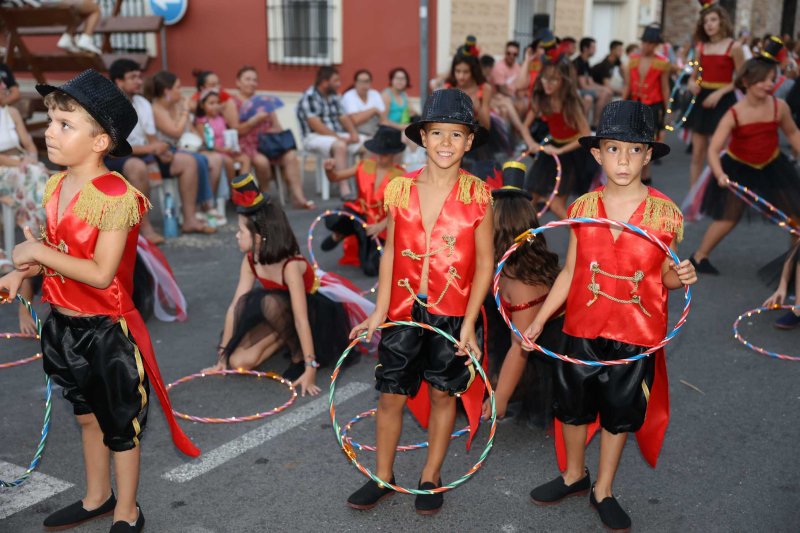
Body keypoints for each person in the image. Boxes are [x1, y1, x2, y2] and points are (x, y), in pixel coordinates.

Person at [0, 69, 200, 533]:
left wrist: (35, 251)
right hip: (63, 325)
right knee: (86, 416)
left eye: (64, 124)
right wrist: (20, 272)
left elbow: (99, 272)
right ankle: (97, 496)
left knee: (120, 428)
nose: (49, 130)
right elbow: (54, 252)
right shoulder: (55, 185)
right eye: (50, 120)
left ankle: (128, 511)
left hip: (107, 332)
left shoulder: (117, 197)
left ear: (100, 141)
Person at [523, 100, 697, 531]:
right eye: (614, 149)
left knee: (620, 412)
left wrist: (681, 276)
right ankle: (573, 475)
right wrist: (542, 318)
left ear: (649, 154)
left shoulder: (663, 214)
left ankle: (604, 488)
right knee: (573, 407)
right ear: (598, 154)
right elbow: (571, 271)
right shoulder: (582, 207)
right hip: (582, 326)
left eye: (634, 150)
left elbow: (662, 279)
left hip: (635, 333)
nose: (624, 159)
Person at [345, 88, 493, 515]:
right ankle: (383, 475)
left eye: (456, 135)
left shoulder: (478, 196)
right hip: (402, 310)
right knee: (391, 394)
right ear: (422, 138)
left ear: (468, 142)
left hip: (452, 314)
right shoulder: (399, 189)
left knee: (444, 395)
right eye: (437, 133)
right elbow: (391, 250)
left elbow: (485, 265)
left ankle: (431, 475)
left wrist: (469, 324)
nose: (446, 143)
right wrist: (377, 309)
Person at [207, 174, 373, 396]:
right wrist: (221, 357)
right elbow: (235, 306)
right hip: (277, 309)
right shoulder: (250, 261)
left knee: (269, 302)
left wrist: (309, 367)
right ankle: (280, 337)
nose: (236, 236)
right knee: (238, 362)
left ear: (258, 237)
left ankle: (295, 349)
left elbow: (301, 318)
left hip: (310, 313)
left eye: (241, 231)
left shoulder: (291, 266)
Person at [690, 52, 800, 275]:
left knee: (795, 217)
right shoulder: (734, 113)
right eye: (762, 80)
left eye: (771, 79)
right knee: (729, 217)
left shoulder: (779, 107)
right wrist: (719, 173)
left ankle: (793, 268)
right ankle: (699, 257)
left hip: (772, 165)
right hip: (738, 166)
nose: (768, 85)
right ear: (746, 82)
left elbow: (793, 133)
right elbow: (713, 149)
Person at [480, 161, 563, 427]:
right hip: (521, 330)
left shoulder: (521, 284)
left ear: (498, 234)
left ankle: (511, 392)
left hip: (548, 343)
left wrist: (500, 399)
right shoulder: (503, 266)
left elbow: (519, 346)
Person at [107, 59, 214, 236]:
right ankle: (144, 227)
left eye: (139, 77)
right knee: (137, 167)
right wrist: (151, 149)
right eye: (133, 77)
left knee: (187, 161)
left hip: (142, 153)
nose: (139, 81)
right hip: (117, 157)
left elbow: (151, 139)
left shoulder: (142, 103)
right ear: (118, 81)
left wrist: (161, 150)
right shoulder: (109, 105)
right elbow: (112, 148)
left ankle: (190, 219)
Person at [320, 125, 406, 276]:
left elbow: (400, 209)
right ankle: (341, 232)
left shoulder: (401, 175)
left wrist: (381, 225)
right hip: (358, 214)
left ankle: (365, 241)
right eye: (377, 152)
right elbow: (335, 177)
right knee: (332, 218)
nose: (379, 157)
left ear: (393, 153)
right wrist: (329, 170)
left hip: (378, 224)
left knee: (370, 269)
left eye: (384, 154)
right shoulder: (364, 165)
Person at [147, 70, 226, 227]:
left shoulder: (177, 104)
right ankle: (198, 206)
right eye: (178, 87)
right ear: (167, 91)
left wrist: (201, 140)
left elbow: (190, 129)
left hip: (186, 148)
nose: (181, 91)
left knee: (216, 159)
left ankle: (205, 204)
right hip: (167, 152)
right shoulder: (156, 108)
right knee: (198, 160)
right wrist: (185, 111)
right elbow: (175, 132)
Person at [522, 57, 596, 219]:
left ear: (564, 81)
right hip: (552, 150)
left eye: (554, 79)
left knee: (556, 205)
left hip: (573, 152)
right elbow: (524, 126)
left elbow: (585, 134)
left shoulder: (571, 103)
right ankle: (527, 239)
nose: (547, 83)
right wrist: (531, 143)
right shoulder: (542, 99)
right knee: (529, 198)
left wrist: (560, 149)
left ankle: (580, 241)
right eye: (544, 78)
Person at [231, 66, 313, 209]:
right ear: (238, 82)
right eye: (247, 79)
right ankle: (265, 194)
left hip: (270, 144)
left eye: (254, 80)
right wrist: (254, 120)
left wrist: (271, 130)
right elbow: (236, 130)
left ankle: (298, 197)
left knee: (291, 155)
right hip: (249, 145)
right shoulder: (233, 102)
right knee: (261, 162)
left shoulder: (264, 102)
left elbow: (278, 128)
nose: (251, 83)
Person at [685, 1, 744, 187]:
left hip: (724, 99)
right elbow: (693, 76)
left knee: (721, 153)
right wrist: (691, 83)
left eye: (713, 20)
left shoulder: (734, 47)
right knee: (697, 153)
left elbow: (741, 79)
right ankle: (693, 199)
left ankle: (720, 194)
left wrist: (719, 93)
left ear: (722, 22)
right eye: (705, 21)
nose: (709, 24)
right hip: (702, 100)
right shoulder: (700, 47)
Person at [296, 66, 363, 199]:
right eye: (335, 80)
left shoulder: (334, 96)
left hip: (336, 135)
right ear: (325, 81)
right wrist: (339, 138)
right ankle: (344, 189)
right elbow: (315, 125)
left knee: (368, 144)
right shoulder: (309, 97)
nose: (339, 83)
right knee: (340, 145)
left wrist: (353, 133)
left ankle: (366, 184)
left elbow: (343, 117)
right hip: (313, 136)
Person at [623, 25, 671, 184]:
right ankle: (640, 176)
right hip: (635, 105)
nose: (646, 46)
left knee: (647, 143)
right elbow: (628, 85)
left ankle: (645, 176)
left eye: (650, 43)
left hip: (652, 106)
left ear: (655, 44)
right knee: (633, 141)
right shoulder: (633, 60)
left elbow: (665, 88)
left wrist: (668, 111)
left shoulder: (662, 63)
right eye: (644, 42)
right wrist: (621, 106)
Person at [195, 89, 252, 181]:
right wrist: (223, 149)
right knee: (229, 162)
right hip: (214, 151)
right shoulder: (202, 122)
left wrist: (234, 147)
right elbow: (208, 143)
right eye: (211, 103)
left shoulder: (221, 118)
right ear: (202, 105)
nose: (216, 106)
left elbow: (228, 134)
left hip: (227, 150)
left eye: (218, 103)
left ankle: (244, 189)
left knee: (245, 159)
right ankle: (233, 191)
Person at [573, 37, 612, 128]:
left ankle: (596, 123)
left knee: (607, 92)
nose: (596, 50)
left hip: (584, 89)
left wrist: (604, 88)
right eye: (593, 47)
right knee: (601, 94)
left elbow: (591, 82)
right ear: (585, 49)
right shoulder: (578, 62)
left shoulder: (586, 63)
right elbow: (583, 86)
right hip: (577, 91)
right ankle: (591, 124)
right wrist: (603, 90)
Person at [341, 69, 385, 138]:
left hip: (376, 130)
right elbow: (355, 120)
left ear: (370, 82)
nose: (364, 85)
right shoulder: (349, 95)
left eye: (366, 81)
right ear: (355, 83)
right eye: (361, 82)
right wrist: (374, 110)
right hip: (357, 133)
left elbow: (383, 118)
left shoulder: (375, 94)